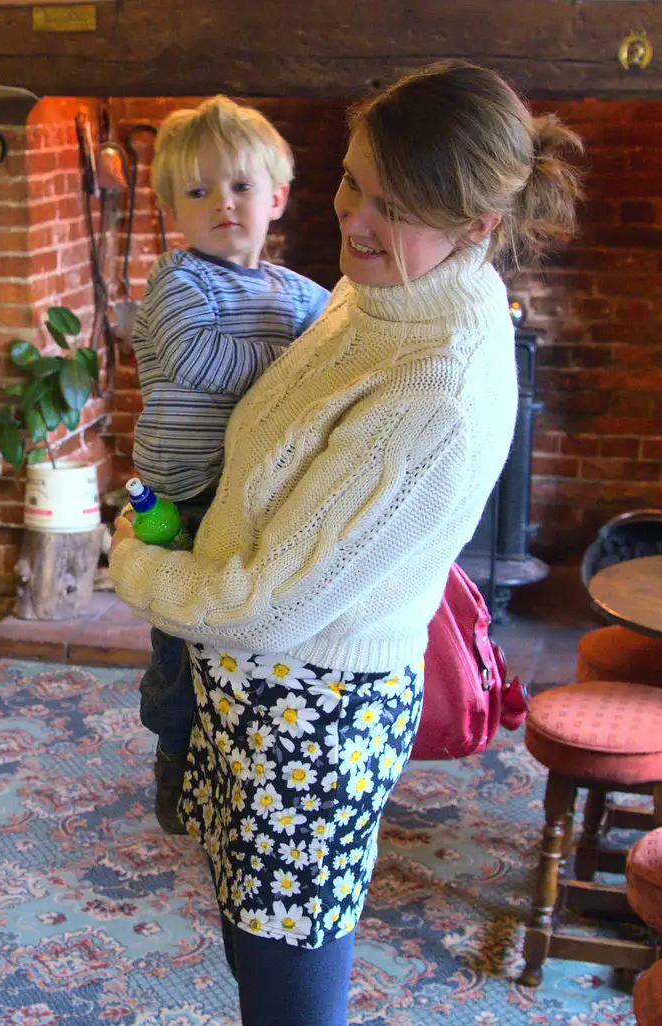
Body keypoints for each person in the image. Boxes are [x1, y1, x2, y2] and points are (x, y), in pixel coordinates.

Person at [110, 61, 582, 1024]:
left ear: (478, 225)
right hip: (256, 690)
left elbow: (268, 603)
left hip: (307, 713)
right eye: (352, 182)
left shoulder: (434, 386)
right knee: (258, 946)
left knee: (289, 983)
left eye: (394, 205)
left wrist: (132, 557)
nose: (354, 221)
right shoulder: (385, 294)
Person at [130, 96, 329, 835]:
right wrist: (292, 367)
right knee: (182, 630)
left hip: (260, 489)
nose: (223, 204)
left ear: (276, 198)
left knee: (248, 627)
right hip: (184, 493)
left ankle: (239, 752)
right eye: (199, 190)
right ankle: (174, 748)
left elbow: (338, 360)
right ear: (170, 209)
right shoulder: (179, 282)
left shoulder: (306, 295)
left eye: (241, 187)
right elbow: (200, 358)